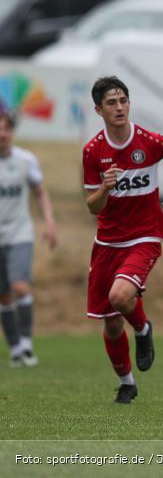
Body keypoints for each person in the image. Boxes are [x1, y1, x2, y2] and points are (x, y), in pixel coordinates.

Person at [83, 76, 163, 404]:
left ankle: (144, 330)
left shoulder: (149, 141)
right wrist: (104, 188)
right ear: (98, 109)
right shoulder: (93, 151)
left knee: (120, 297)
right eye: (111, 103)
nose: (119, 107)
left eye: (123, 100)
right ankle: (127, 383)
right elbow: (92, 207)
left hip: (146, 235)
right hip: (107, 243)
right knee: (111, 322)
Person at [0, 111, 56, 367]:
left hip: (20, 233)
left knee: (20, 286)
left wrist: (49, 222)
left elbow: (40, 192)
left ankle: (27, 344)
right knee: (3, 297)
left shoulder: (25, 160)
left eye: (6, 129)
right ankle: (15, 350)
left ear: (12, 132)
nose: (2, 134)